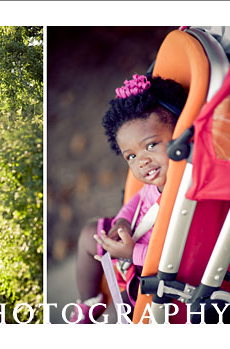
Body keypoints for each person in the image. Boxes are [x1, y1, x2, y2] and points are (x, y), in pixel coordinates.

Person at [72, 74, 188, 323]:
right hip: (130, 242)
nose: (142, 161)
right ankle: (89, 301)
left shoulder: (187, 194)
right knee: (87, 235)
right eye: (131, 156)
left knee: (123, 313)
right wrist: (121, 223)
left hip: (148, 270)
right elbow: (135, 202)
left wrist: (132, 252)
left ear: (179, 135)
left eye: (151, 145)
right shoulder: (154, 184)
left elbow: (178, 255)